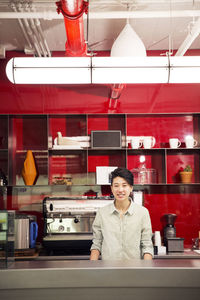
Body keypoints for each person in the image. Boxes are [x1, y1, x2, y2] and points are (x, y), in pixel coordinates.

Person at [90, 167, 153, 260]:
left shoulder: (142, 213)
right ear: (111, 188)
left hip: (135, 270)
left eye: (124, 185)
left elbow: (147, 245)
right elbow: (96, 244)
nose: (120, 190)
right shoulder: (102, 213)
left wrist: (146, 270)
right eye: (116, 185)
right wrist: (92, 269)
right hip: (108, 270)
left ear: (131, 188)